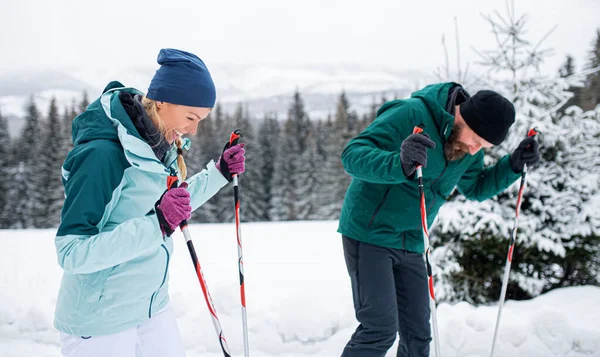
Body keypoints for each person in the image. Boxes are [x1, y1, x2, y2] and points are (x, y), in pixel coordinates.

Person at [54, 48, 245, 357]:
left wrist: (220, 172)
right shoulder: (102, 156)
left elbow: (173, 207)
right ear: (161, 103)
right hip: (101, 320)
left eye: (201, 120)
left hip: (151, 306)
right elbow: (72, 252)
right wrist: (157, 223)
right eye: (190, 117)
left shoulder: (154, 146)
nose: (193, 129)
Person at [337, 82, 540, 357]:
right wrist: (399, 163)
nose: (473, 150)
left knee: (418, 336)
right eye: (476, 141)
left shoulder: (467, 147)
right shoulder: (410, 114)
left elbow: (477, 187)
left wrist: (514, 165)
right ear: (464, 117)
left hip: (413, 242)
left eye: (482, 147)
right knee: (379, 330)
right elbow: (352, 156)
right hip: (370, 233)